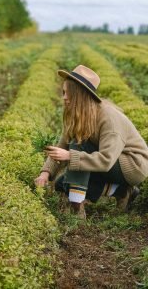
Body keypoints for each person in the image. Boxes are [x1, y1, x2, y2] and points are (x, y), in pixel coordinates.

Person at [34, 65, 148, 219]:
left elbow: (106, 160)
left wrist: (70, 156)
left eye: (68, 93)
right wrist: (45, 174)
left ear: (80, 95)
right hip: (110, 162)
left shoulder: (108, 119)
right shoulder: (78, 115)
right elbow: (62, 146)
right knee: (63, 184)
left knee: (78, 143)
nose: (64, 97)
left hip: (132, 165)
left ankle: (77, 209)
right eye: (63, 92)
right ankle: (123, 192)